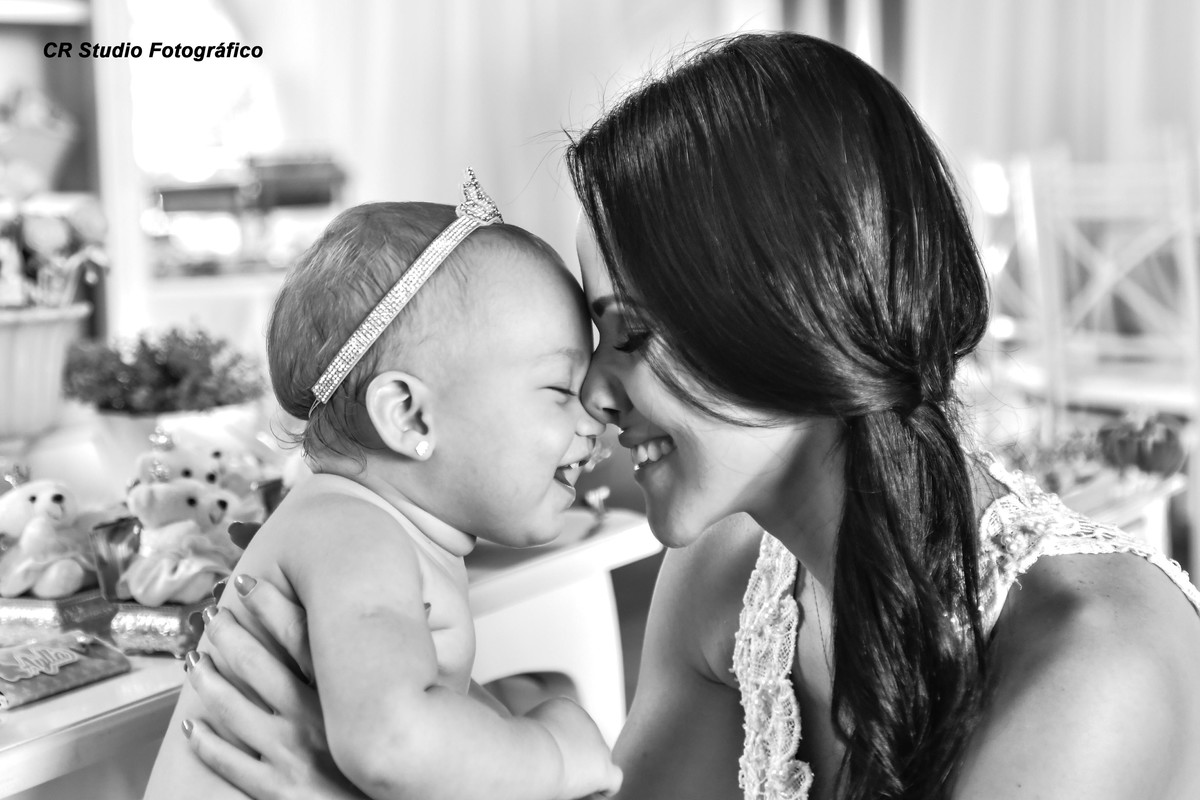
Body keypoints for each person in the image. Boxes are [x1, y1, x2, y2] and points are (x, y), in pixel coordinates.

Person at [178, 32, 1200, 800]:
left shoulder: (1095, 656)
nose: (592, 394)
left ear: (787, 316)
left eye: (629, 332)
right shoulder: (726, 569)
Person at [142, 178, 622, 800]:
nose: (593, 416)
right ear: (409, 416)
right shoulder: (353, 532)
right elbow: (392, 744)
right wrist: (553, 754)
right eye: (560, 388)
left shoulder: (370, 527)